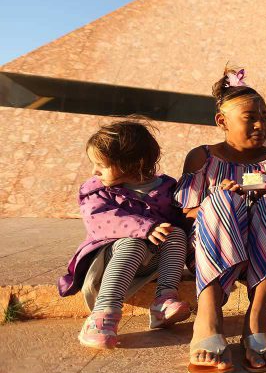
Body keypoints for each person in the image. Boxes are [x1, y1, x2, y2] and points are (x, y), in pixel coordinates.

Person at [175, 68, 266, 373]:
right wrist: (221, 198)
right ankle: (209, 318)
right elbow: (187, 211)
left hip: (263, 251)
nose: (260, 124)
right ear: (221, 121)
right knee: (221, 199)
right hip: (212, 250)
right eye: (250, 117)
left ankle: (256, 320)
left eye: (264, 117)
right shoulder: (203, 157)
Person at [60, 120, 189, 349]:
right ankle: (102, 316)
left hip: (148, 265)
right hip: (107, 262)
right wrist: (145, 228)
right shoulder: (96, 190)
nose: (94, 171)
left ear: (132, 163)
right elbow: (99, 220)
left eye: (101, 164)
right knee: (134, 243)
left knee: (177, 233)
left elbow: (182, 218)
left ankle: (164, 300)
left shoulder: (166, 189)